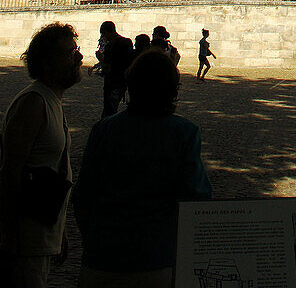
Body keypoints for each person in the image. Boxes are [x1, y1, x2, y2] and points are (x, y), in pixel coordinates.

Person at [73, 48, 212, 286]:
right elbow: (197, 199)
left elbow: (83, 196)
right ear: (172, 91)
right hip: (157, 259)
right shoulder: (184, 133)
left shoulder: (104, 129)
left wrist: (94, 240)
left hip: (102, 258)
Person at [0, 22, 83, 288]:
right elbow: (10, 171)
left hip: (42, 233)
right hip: (26, 239)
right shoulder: (33, 103)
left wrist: (61, 234)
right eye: (70, 53)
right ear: (48, 63)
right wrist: (10, 235)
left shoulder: (51, 99)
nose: (79, 57)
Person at [99, 21, 134, 118]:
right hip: (122, 82)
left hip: (111, 83)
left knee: (108, 112)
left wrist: (100, 59)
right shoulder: (127, 42)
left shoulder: (110, 46)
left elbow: (107, 68)